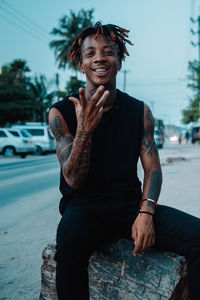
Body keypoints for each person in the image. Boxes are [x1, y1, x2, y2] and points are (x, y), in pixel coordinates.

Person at [49, 22, 200, 300]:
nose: (99, 58)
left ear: (119, 60)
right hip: (83, 209)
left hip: (129, 206)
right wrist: (85, 130)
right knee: (68, 243)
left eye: (108, 52)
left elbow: (152, 169)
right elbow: (73, 179)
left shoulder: (139, 111)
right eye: (90, 53)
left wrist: (146, 213)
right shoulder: (61, 112)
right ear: (81, 64)